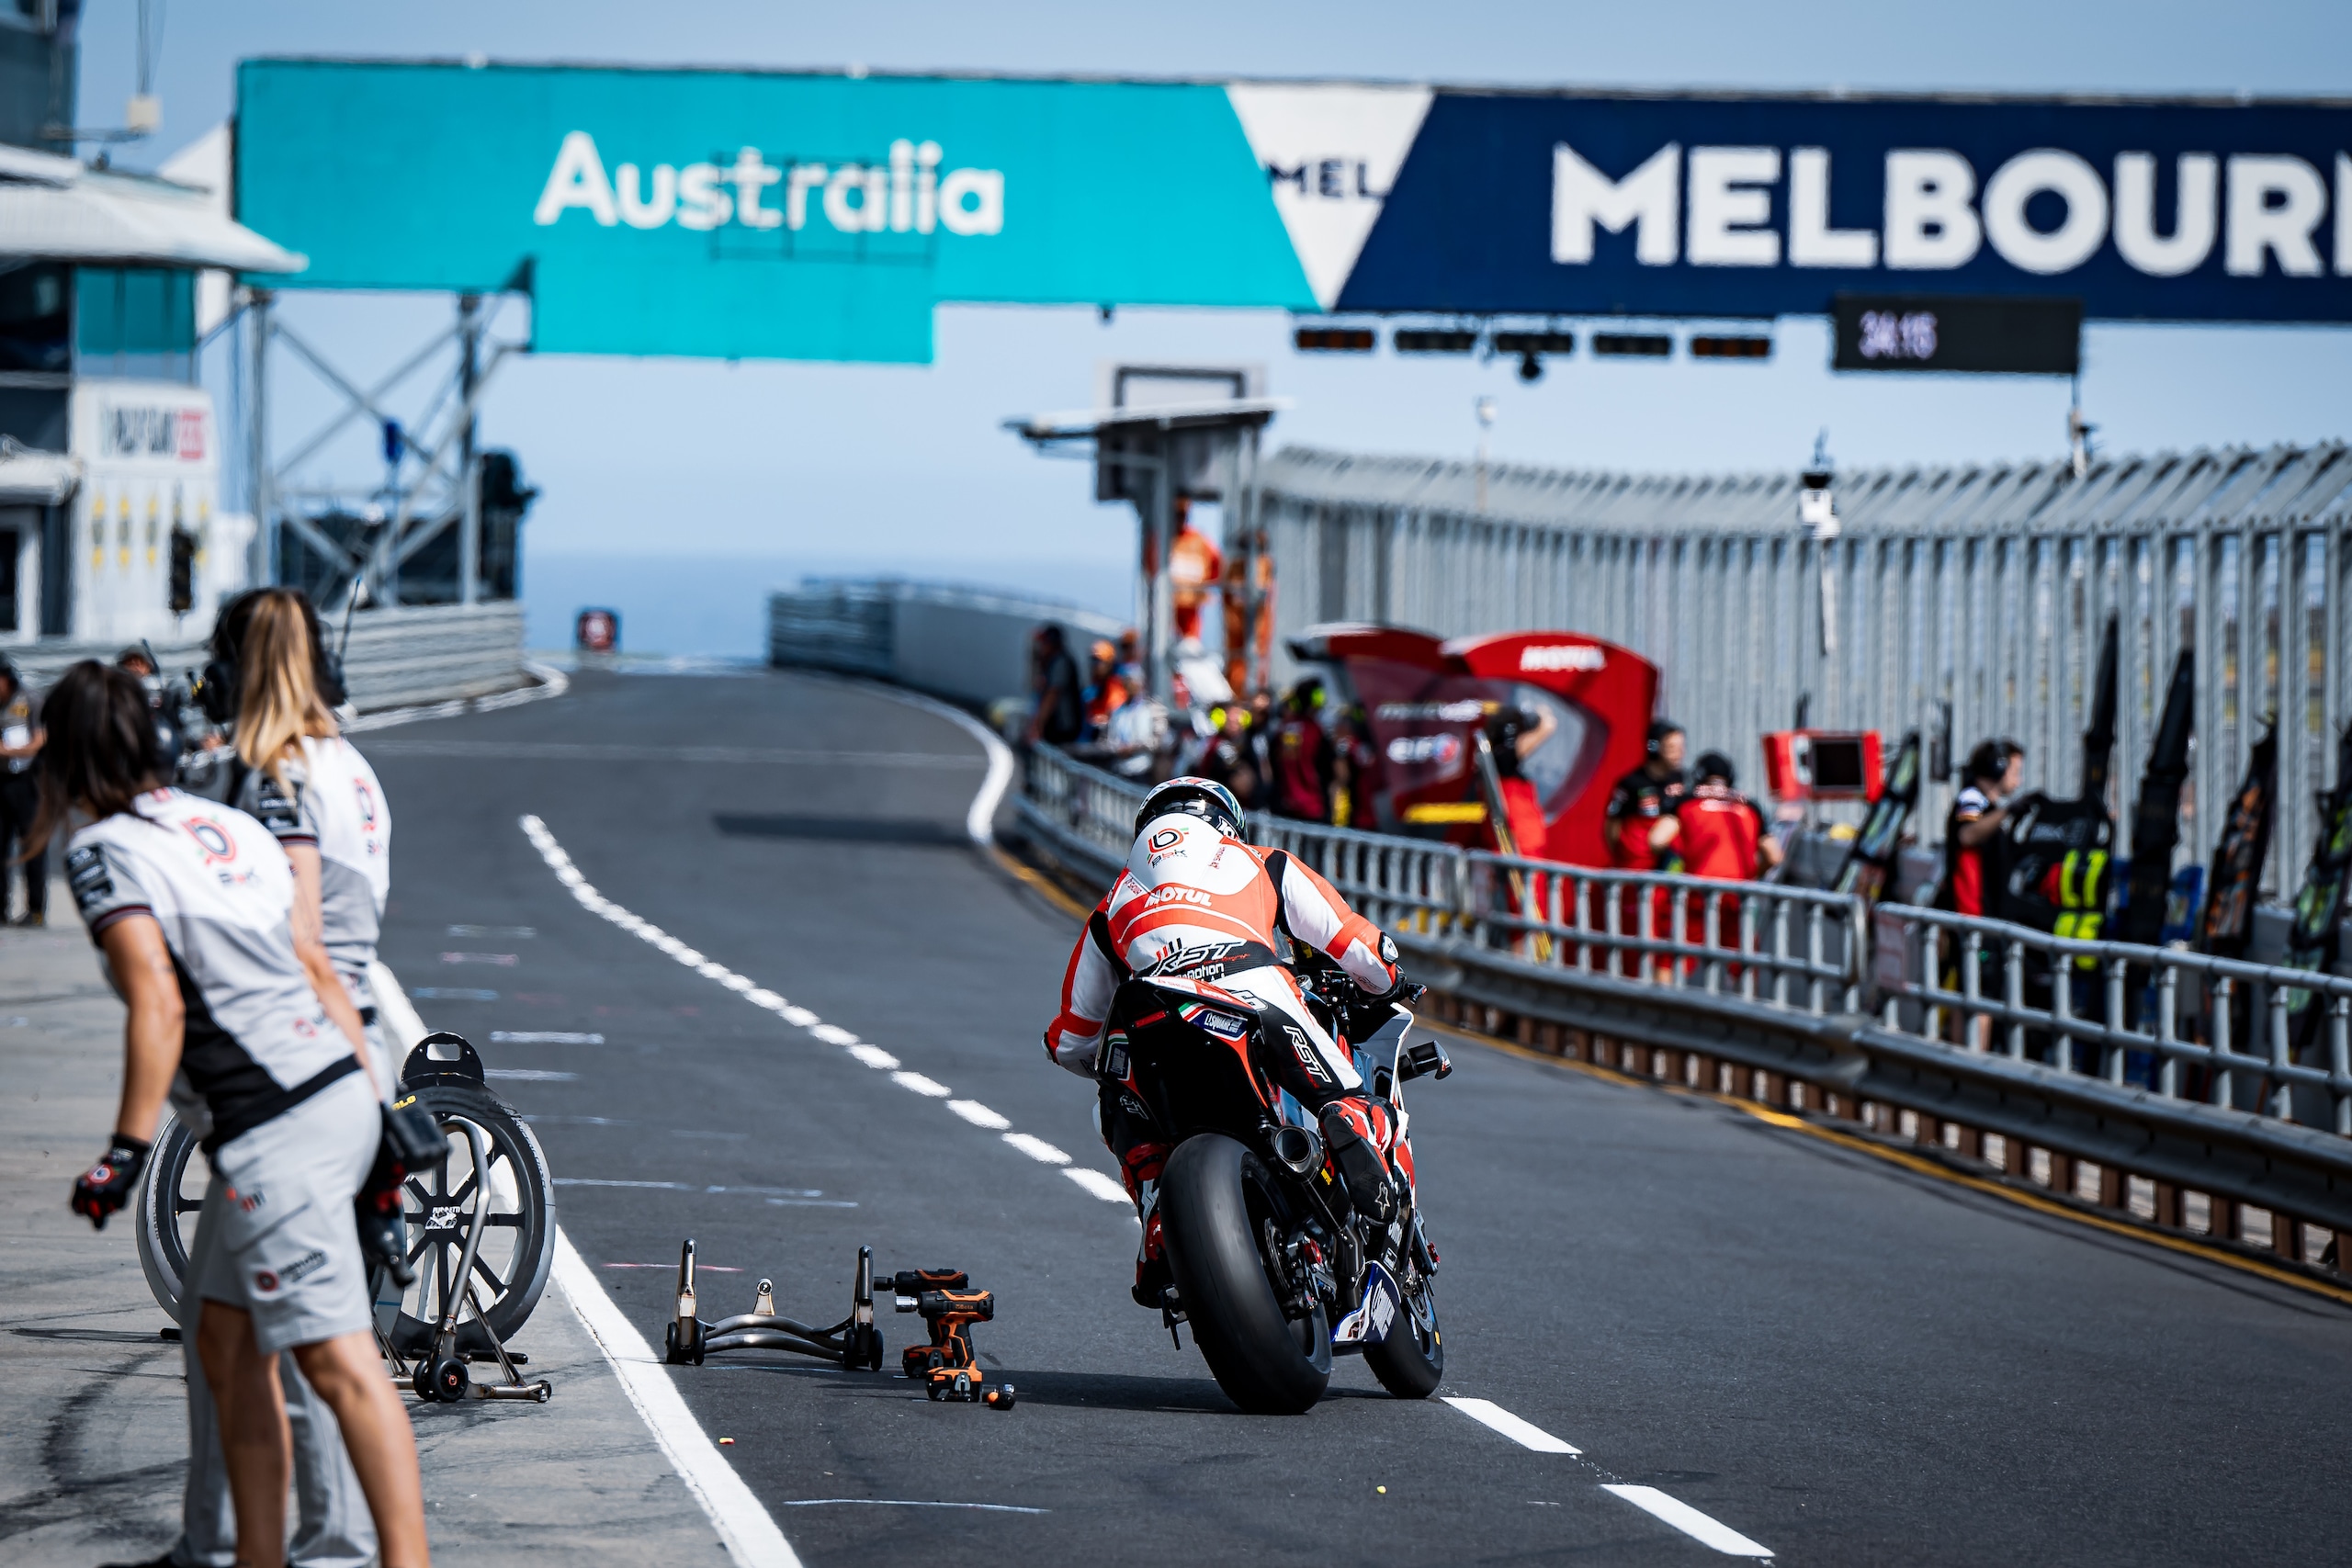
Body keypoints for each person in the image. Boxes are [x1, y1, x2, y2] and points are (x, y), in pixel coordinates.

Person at [43, 662, 428, 1568]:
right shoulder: (225, 824)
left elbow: (159, 1004)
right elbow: (319, 962)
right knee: (222, 1341)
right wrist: (380, 1111)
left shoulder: (103, 852)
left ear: (66, 758)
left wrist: (125, 1153)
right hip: (336, 1084)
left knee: (340, 1367)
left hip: (274, 1128)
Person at [143, 588, 397, 1568]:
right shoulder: (349, 765)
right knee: (218, 1328)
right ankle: (208, 1541)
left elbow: (297, 939)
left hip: (297, 1064)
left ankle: (332, 1547)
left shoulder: (279, 773)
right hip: (339, 1045)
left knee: (298, 1344)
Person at [1042, 777, 1413, 1308]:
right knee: (1349, 1098)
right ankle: (1347, 1121)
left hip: (1150, 1011)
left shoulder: (1113, 903)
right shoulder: (1264, 862)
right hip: (1251, 985)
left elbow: (1074, 1039)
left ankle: (1154, 1208)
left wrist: (1077, 1054)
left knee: (1112, 1087)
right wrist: (1390, 979)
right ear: (1226, 823)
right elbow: (1356, 943)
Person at [1941, 739, 2025, 918]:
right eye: (2015, 773)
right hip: (1972, 915)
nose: (2019, 781)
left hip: (1986, 913)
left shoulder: (1990, 807)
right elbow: (1967, 834)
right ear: (1998, 769)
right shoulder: (1971, 798)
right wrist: (2008, 810)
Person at [1676, 752, 1781, 882]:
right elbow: (1774, 856)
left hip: (1699, 894)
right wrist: (1752, 876)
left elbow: (1658, 840)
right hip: (1740, 894)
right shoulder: (1749, 808)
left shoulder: (1687, 805)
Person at [1605, 720, 1690, 870]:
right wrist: (1624, 857)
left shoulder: (1684, 780)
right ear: (1655, 748)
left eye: (1681, 747)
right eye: (1672, 748)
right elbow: (1612, 825)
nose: (1679, 753)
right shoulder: (1631, 783)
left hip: (1673, 863)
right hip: (1637, 866)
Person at [0, 660, 45, 925]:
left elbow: (38, 742)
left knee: (32, 846)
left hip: (27, 782)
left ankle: (35, 909)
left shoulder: (30, 700)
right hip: (1, 781)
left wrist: (8, 751)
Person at [1271, 678, 1334, 823]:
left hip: (1285, 805)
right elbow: (1329, 770)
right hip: (1312, 807)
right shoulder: (1315, 731)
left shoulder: (1282, 729)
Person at [1164, 499, 1225, 645]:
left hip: (1191, 605)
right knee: (1167, 641)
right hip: (1168, 605)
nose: (1180, 519)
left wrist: (1204, 588)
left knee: (1190, 644)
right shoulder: (1166, 539)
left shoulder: (1199, 540)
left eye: (1183, 515)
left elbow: (1217, 564)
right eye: (1177, 515)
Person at [1026, 625, 1083, 746]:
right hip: (1056, 727)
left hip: (1062, 728)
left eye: (1043, 643)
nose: (1040, 647)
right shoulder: (1052, 662)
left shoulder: (1061, 662)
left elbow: (1053, 695)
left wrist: (1037, 725)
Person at [1080, 638, 1130, 741]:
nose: (1094, 665)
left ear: (1108, 664)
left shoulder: (1116, 688)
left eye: (1098, 661)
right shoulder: (1092, 689)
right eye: (1093, 660)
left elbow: (1115, 715)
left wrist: (1104, 719)